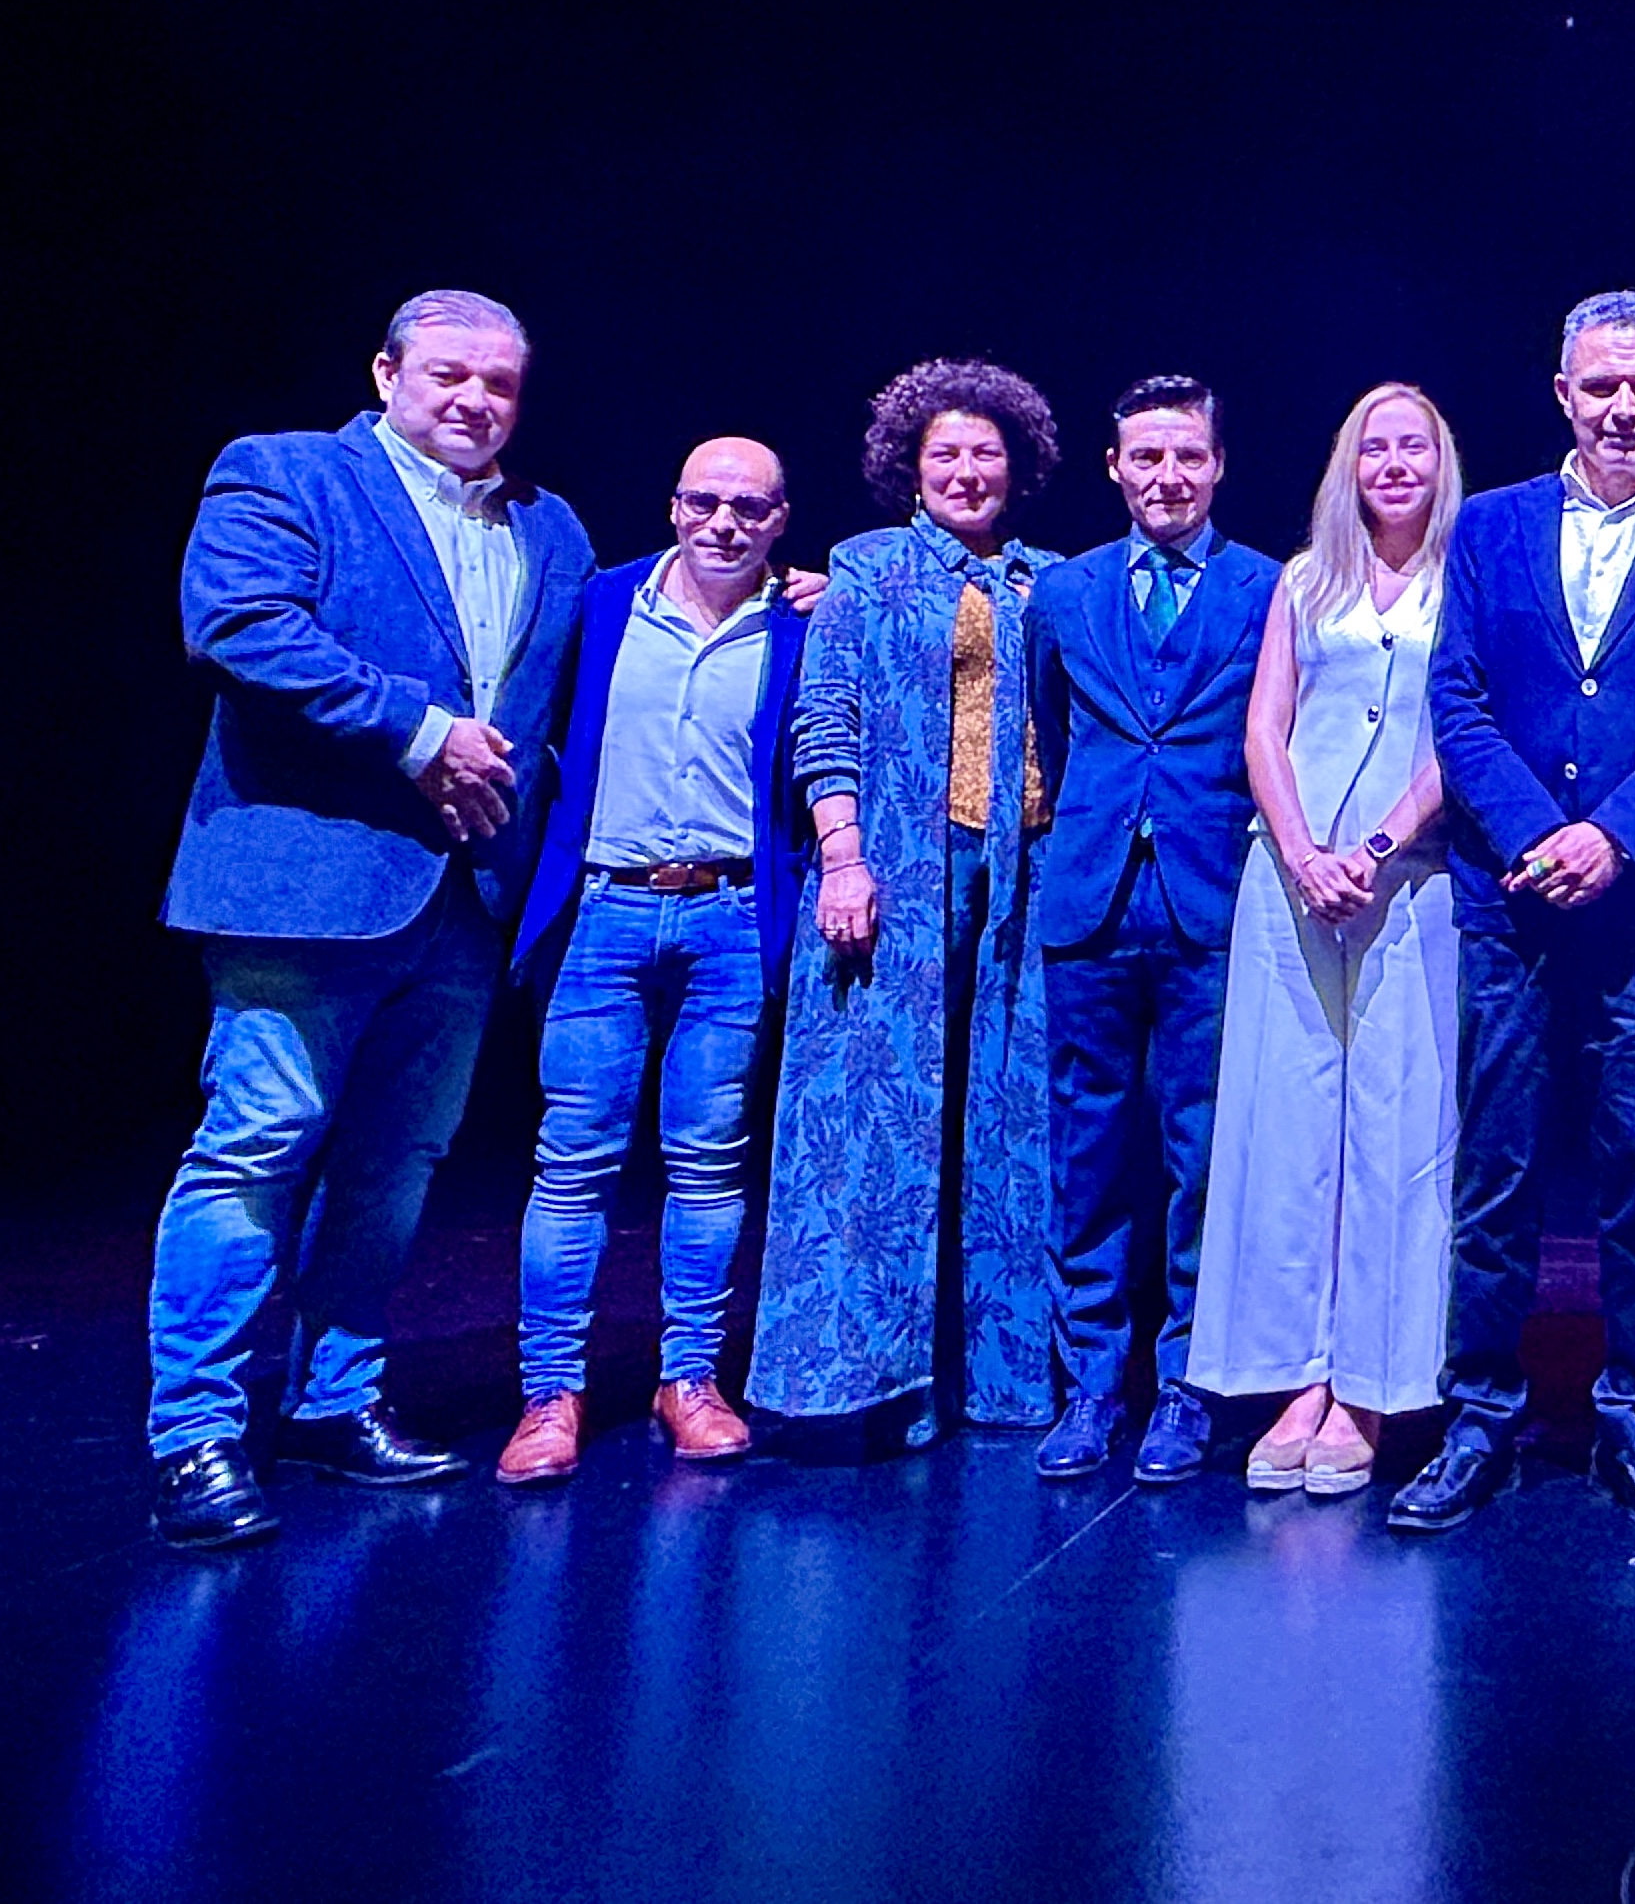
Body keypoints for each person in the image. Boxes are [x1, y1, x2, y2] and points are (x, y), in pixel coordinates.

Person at [146, 289, 594, 1549]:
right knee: (259, 1142)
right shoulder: (288, 474)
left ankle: (335, 1401)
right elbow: (237, 625)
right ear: (387, 371)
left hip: (461, 896)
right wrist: (418, 732)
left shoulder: (549, 527)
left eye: (500, 383)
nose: (475, 400)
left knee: (398, 1164)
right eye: (449, 374)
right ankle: (195, 1435)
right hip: (306, 887)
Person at [1389, 291, 1635, 1537]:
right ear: (1563, 392)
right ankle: (1479, 1421)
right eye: (1601, 386)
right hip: (1510, 900)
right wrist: (1534, 835)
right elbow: (1458, 701)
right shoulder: (1491, 527)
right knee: (1494, 1173)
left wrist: (1613, 837)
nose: (1624, 407)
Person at [753, 359, 1066, 1439]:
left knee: (1007, 1121)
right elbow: (825, 716)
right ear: (910, 467)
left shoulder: (1050, 579)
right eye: (947, 454)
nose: (968, 470)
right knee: (878, 1126)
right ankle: (859, 1385)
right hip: (896, 880)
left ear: (1017, 466)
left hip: (1020, 884)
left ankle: (1004, 1376)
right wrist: (842, 856)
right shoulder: (867, 570)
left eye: (988, 452)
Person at [494, 438, 814, 1486]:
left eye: (750, 509)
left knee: (710, 1161)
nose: (725, 523)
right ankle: (551, 1394)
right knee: (573, 1162)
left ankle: (691, 1379)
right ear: (674, 505)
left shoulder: (802, 621)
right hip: (604, 913)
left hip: (727, 916)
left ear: (779, 520)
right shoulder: (600, 605)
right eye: (706, 502)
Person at [1190, 383, 1468, 1496]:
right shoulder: (1306, 581)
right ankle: (1293, 1377)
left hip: (1412, 884)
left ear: (1439, 462)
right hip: (1294, 881)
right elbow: (1265, 722)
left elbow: (1473, 730)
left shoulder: (1474, 577)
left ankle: (1374, 1387)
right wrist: (1304, 852)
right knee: (1286, 1130)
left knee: (1400, 1135)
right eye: (1373, 447)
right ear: (1346, 467)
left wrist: (1384, 843)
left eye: (1413, 446)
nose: (1393, 463)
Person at [1021, 378, 1285, 1482]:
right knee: (1087, 1155)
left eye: (1189, 458)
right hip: (1089, 903)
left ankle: (1188, 1384)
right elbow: (1050, 722)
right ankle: (1090, 1387)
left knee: (1202, 1156)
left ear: (1219, 466)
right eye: (1147, 459)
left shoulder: (1268, 588)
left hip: (1211, 901)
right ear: (1115, 468)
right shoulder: (1066, 593)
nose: (1168, 478)